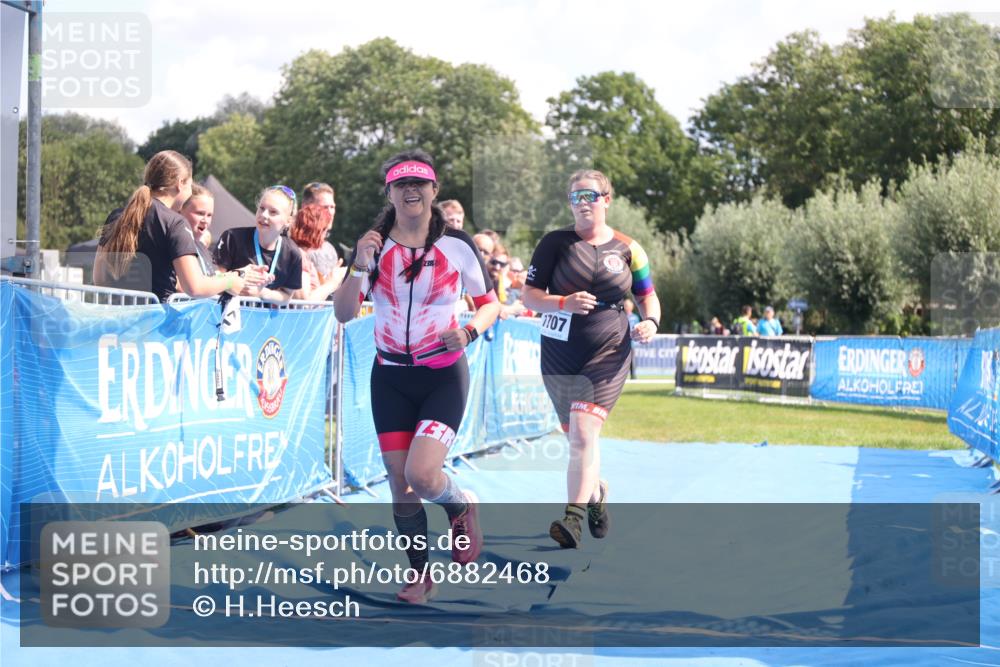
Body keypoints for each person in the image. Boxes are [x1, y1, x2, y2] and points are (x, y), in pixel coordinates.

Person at [333, 150, 500, 604]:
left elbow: (490, 305)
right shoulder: (374, 245)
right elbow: (344, 313)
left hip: (442, 375)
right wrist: (361, 263)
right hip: (389, 376)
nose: (411, 190)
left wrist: (468, 332)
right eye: (401, 183)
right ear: (389, 192)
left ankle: (461, 506)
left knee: (423, 475)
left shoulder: (458, 246)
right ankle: (421, 575)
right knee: (398, 481)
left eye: (419, 183)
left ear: (434, 190)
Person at [522, 169, 661, 549]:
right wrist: (562, 302)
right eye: (575, 197)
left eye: (590, 196)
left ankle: (573, 520)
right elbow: (529, 296)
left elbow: (648, 295)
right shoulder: (555, 243)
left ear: (607, 199)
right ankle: (595, 494)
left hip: (609, 349)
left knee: (585, 432)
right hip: (559, 351)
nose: (583, 203)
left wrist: (651, 320)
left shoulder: (629, 248)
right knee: (579, 443)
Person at [95, 150, 251, 302]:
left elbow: (99, 278)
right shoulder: (175, 223)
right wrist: (231, 280)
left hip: (116, 318)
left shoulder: (116, 215)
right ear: (180, 183)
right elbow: (194, 287)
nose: (191, 191)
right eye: (190, 185)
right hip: (156, 322)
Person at [214, 186, 304, 305]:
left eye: (273, 212)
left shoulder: (293, 253)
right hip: (227, 316)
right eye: (261, 208)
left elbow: (287, 296)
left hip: (263, 321)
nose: (264, 215)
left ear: (288, 221)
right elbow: (214, 279)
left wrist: (261, 293)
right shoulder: (232, 238)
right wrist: (237, 283)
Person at [289, 203, 343, 301]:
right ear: (316, 230)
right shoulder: (299, 256)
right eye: (324, 231)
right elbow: (304, 302)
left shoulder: (298, 253)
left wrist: (329, 279)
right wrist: (332, 283)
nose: (325, 237)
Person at [301, 182, 342, 281]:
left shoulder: (330, 248)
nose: (330, 212)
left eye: (332, 207)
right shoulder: (295, 245)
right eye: (324, 207)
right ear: (305, 207)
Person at [179, 184, 216, 271]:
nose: (205, 220)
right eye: (200, 213)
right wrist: (230, 280)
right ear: (180, 210)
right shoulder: (175, 245)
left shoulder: (202, 248)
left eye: (209, 215)